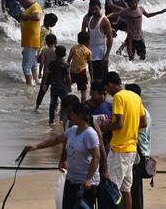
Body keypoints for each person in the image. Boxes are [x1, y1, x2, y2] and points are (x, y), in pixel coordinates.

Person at [23, 99, 100, 209]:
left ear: (80, 115)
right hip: (71, 179)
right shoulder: (72, 130)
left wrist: (88, 179)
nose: (69, 116)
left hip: (86, 183)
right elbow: (56, 140)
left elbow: (96, 157)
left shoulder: (90, 134)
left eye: (71, 114)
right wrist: (36, 147)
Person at [103, 72, 145, 209]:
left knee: (112, 188)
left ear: (109, 85)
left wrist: (100, 126)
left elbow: (118, 124)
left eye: (107, 90)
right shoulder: (135, 96)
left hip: (120, 148)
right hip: (132, 148)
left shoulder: (118, 97)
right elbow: (143, 123)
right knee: (126, 189)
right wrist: (130, 125)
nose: (107, 93)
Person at [18, 0, 43, 85]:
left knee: (25, 67)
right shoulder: (31, 8)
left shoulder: (35, 6)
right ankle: (36, 82)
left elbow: (37, 17)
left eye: (22, 2)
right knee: (33, 65)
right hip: (30, 41)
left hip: (31, 41)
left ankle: (29, 88)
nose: (22, 5)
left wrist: (25, 15)